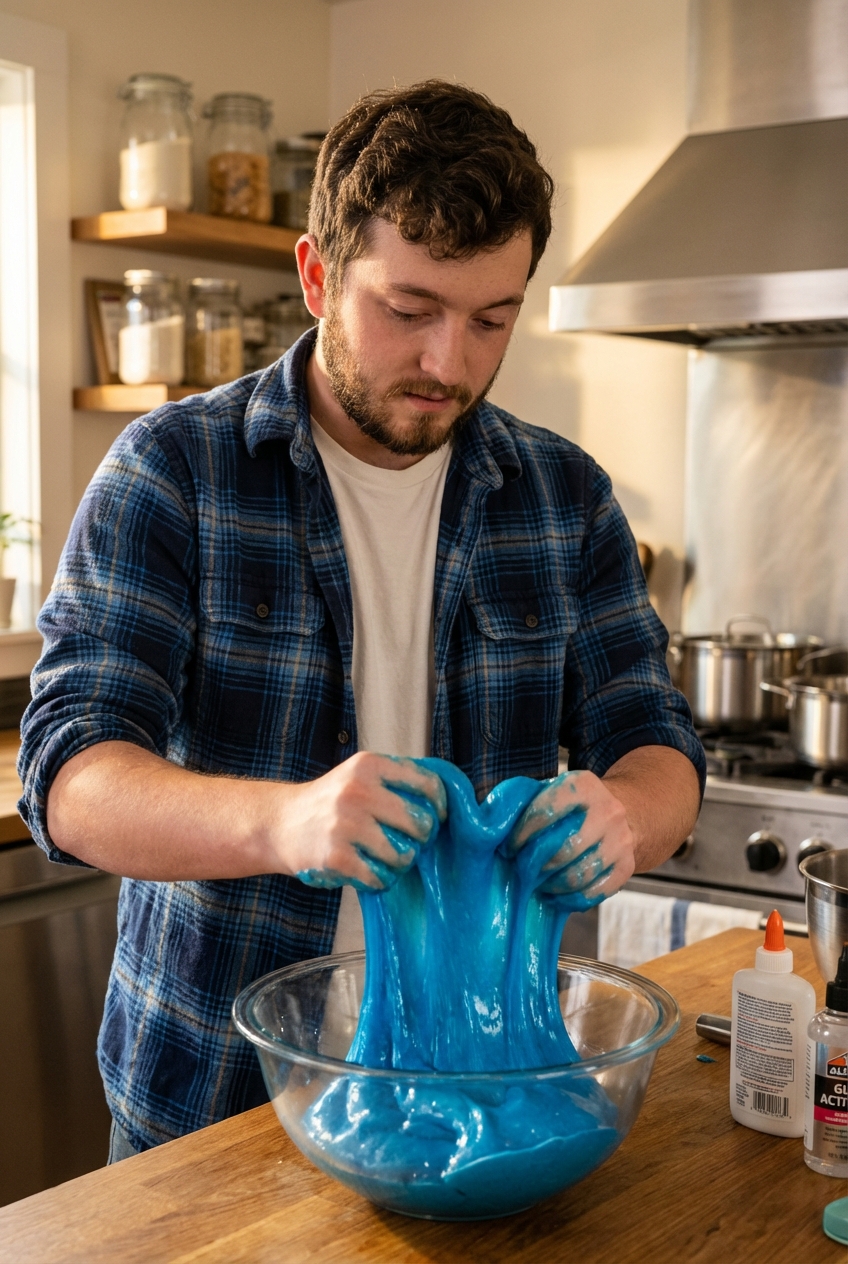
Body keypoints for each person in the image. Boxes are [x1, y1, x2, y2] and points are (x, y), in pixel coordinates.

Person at [18, 80, 704, 1160]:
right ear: (315, 276)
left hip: (485, 1105)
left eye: (491, 319)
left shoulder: (562, 497)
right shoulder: (172, 473)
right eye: (408, 309)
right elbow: (69, 777)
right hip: (212, 1106)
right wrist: (284, 823)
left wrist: (626, 810)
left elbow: (655, 740)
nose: (448, 363)